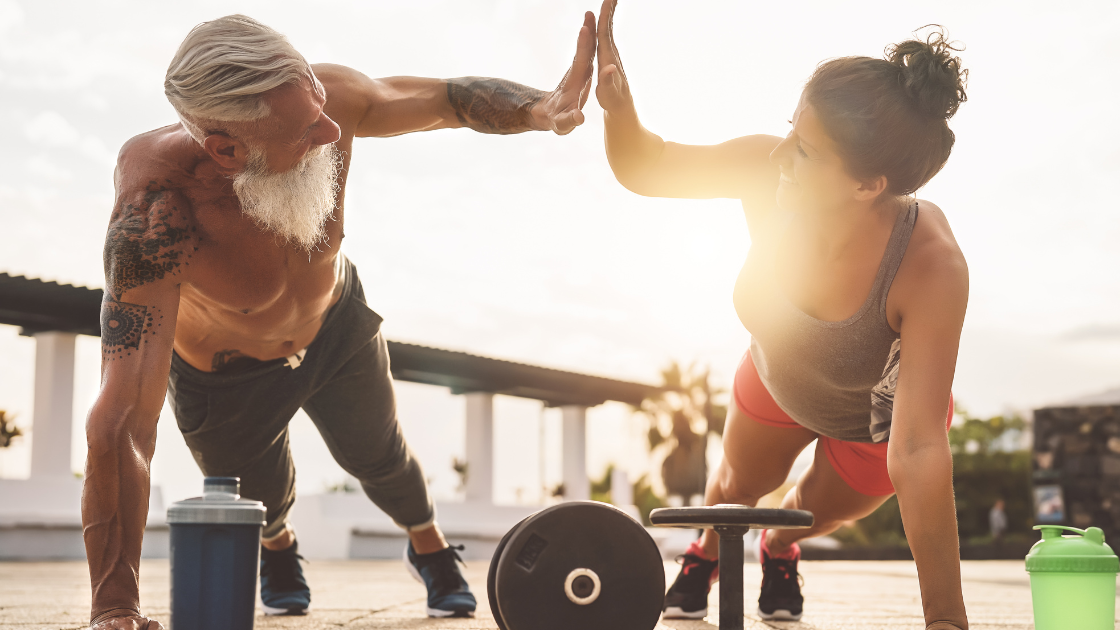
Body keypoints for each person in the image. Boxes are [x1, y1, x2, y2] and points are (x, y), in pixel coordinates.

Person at [84, 13, 597, 630]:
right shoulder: (157, 213)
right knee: (257, 500)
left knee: (383, 458)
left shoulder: (327, 103)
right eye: (304, 129)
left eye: (319, 99)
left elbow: (444, 100)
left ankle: (429, 547)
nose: (331, 129)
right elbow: (122, 422)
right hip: (225, 378)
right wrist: (114, 609)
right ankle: (279, 547)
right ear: (225, 148)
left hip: (335, 328)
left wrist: (542, 108)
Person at [594, 2, 969, 628]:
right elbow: (646, 166)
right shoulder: (768, 171)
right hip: (777, 377)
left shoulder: (929, 263)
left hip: (876, 423)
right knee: (736, 486)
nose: (779, 156)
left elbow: (920, 444)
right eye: (790, 131)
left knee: (800, 512)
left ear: (867, 185)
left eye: (805, 150)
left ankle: (780, 550)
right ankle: (702, 555)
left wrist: (946, 622)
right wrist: (617, 104)